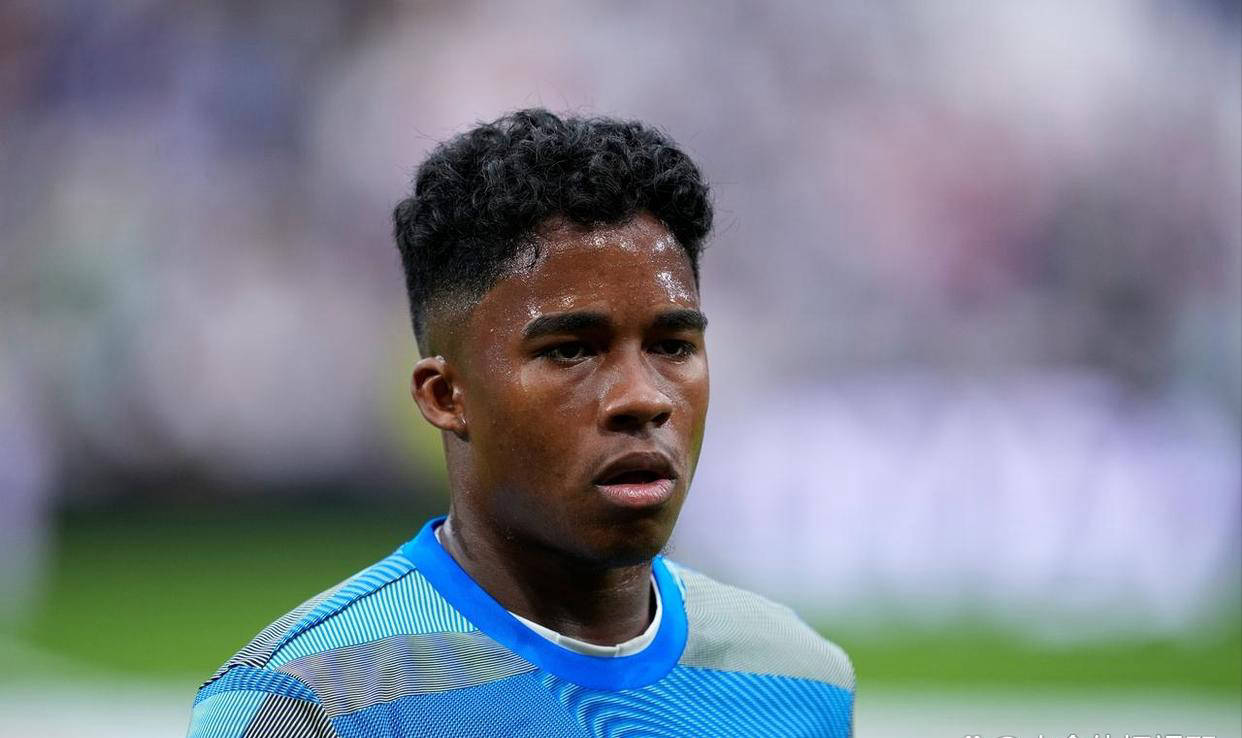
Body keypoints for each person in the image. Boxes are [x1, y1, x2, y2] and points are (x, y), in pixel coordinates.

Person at [187, 109, 854, 738]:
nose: (642, 397)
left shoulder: (798, 680)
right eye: (570, 350)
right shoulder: (306, 703)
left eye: (672, 346)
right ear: (445, 395)